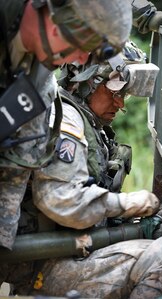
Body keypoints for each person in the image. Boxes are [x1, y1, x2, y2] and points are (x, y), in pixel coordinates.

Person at [0, 42, 162, 299]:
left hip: (65, 253)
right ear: (84, 82)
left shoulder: (89, 123)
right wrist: (129, 203)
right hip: (47, 265)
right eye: (114, 91)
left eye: (125, 94)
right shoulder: (66, 120)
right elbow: (62, 201)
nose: (120, 103)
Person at [0, 0, 133, 251]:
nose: (82, 58)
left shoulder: (40, 85)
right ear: (56, 20)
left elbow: (14, 171)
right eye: (81, 44)